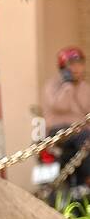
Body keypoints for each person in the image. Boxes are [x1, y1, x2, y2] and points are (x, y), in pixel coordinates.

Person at [41, 46, 90, 190]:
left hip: (80, 133)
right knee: (85, 136)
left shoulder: (85, 88)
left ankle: (81, 186)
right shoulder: (53, 85)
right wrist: (67, 85)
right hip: (58, 131)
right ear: (63, 67)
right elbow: (60, 105)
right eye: (72, 64)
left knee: (85, 137)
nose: (76, 68)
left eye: (80, 64)